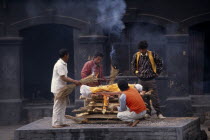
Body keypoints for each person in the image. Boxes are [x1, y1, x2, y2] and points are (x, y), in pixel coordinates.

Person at [131, 40, 165, 119]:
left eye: (142, 49)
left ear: (146, 48)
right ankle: (147, 112)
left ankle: (159, 113)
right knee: (143, 97)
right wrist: (136, 73)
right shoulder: (136, 55)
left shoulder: (152, 54)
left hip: (150, 79)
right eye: (140, 49)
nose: (141, 51)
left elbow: (160, 63)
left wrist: (157, 72)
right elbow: (133, 65)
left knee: (154, 97)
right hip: (141, 80)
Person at [51, 49, 80, 128]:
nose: (68, 57)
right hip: (58, 88)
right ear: (65, 55)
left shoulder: (63, 64)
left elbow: (65, 77)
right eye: (68, 55)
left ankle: (61, 122)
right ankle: (55, 123)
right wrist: (74, 81)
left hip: (62, 87)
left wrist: (74, 82)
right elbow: (63, 78)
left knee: (63, 105)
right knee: (58, 105)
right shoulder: (59, 64)